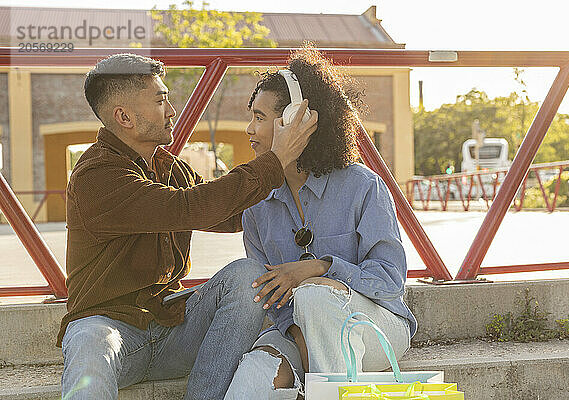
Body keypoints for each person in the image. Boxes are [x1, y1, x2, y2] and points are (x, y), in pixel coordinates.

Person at [58, 53, 317, 400]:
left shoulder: (169, 167)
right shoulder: (96, 176)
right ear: (124, 117)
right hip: (109, 329)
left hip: (171, 327)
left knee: (246, 277)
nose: (171, 110)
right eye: (161, 99)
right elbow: (189, 207)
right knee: (89, 340)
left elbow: (227, 213)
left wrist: (298, 167)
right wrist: (273, 161)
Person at [224, 47, 417, 399]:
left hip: (374, 325)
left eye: (259, 117)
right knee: (256, 372)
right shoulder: (255, 207)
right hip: (294, 329)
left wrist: (320, 269)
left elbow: (389, 280)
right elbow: (268, 297)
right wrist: (301, 336)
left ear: (294, 121)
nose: (249, 129)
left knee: (314, 295)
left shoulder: (363, 186)